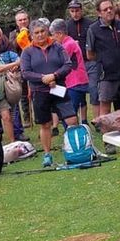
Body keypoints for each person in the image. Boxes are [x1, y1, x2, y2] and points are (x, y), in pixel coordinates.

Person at [21, 21, 79, 167]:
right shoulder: (27, 52)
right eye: (36, 33)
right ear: (31, 35)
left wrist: (54, 75)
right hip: (39, 92)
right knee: (45, 124)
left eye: (42, 31)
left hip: (59, 89)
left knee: (71, 120)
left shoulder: (57, 47)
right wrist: (43, 79)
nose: (40, 35)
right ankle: (47, 154)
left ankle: (75, 149)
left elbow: (68, 65)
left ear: (47, 31)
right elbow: (25, 72)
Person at [66, 0, 101, 118]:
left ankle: (96, 120)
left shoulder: (90, 24)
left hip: (90, 62)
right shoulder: (67, 26)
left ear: (81, 10)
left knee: (94, 90)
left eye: (77, 11)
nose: (75, 14)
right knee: (77, 93)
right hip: (75, 65)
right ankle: (82, 120)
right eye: (72, 11)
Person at [51, 19, 91, 124]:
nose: (52, 38)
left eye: (53, 35)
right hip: (78, 81)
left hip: (74, 83)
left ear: (59, 34)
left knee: (68, 113)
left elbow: (57, 62)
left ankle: (70, 134)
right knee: (74, 109)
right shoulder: (70, 42)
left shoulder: (67, 45)